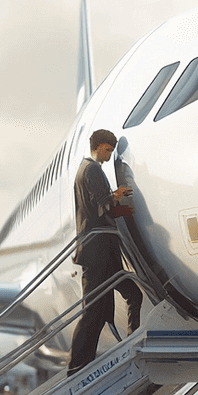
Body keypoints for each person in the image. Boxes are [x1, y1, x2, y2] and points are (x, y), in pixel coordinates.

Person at [67, 128, 143, 376]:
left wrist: (123, 211)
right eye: (108, 150)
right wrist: (116, 196)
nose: (110, 155)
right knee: (93, 312)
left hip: (103, 252)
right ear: (99, 147)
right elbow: (102, 205)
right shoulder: (91, 170)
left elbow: (97, 210)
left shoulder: (89, 169)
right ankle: (76, 367)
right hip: (97, 252)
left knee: (116, 303)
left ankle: (125, 347)